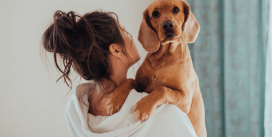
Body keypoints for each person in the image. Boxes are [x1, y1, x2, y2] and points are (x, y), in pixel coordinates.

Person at [41, 10, 197, 137]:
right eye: (126, 32)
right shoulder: (162, 113)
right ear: (115, 49)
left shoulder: (75, 113)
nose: (132, 37)